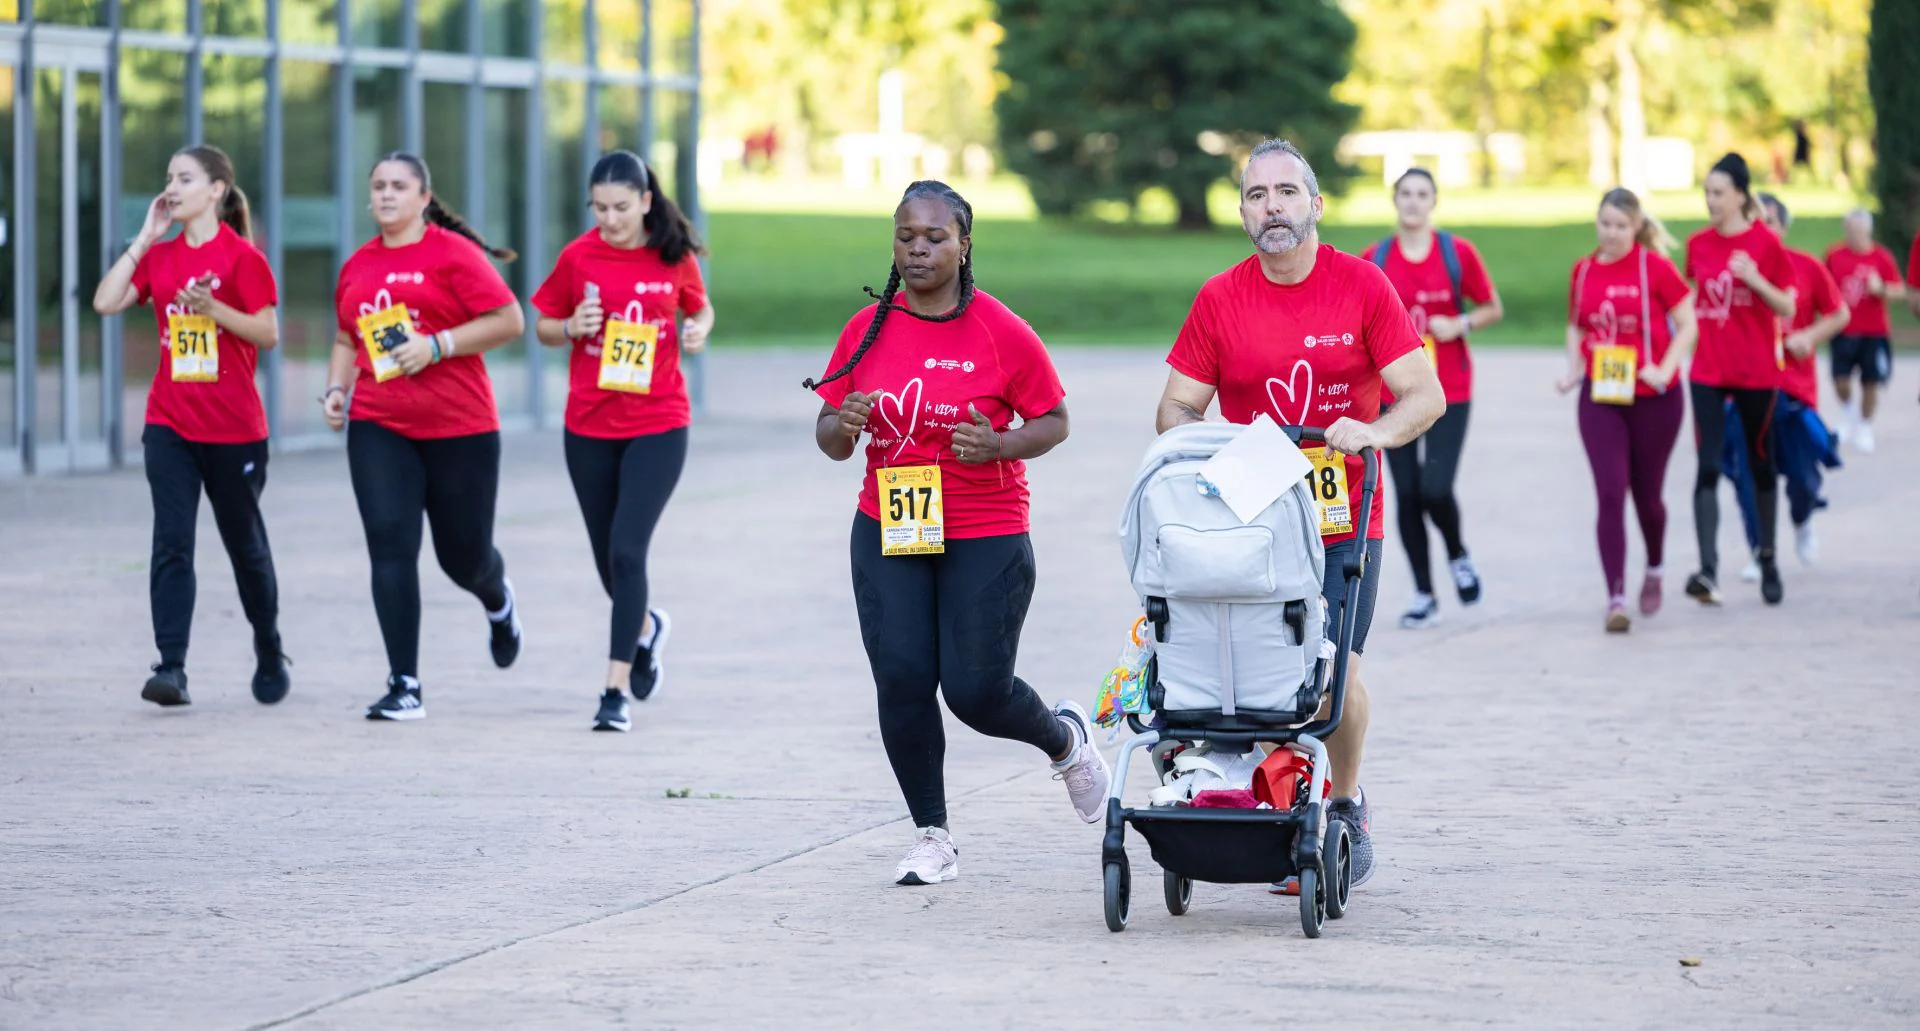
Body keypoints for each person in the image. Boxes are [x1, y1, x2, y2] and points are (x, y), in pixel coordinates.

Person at [1157, 139, 1446, 892]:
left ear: (1315, 204)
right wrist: (1211, 448)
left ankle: (1345, 803)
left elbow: (1426, 394)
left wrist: (1374, 431)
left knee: (1334, 667)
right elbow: (1177, 407)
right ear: (1244, 212)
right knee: (1250, 666)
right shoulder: (1220, 298)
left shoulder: (1363, 286)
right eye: (1257, 196)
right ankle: (1267, 798)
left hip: (1347, 512)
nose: (1272, 206)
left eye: (1287, 192)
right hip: (1254, 518)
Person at [806, 179, 1110, 886]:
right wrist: (841, 424)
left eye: (935, 236)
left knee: (976, 691)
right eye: (906, 236)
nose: (918, 248)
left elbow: (1055, 420)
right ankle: (931, 833)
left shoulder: (1001, 331)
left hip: (985, 527)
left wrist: (999, 445)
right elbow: (828, 436)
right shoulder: (867, 328)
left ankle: (1066, 743)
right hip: (891, 523)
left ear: (964, 244)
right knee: (904, 677)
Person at [320, 152, 527, 721]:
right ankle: (404, 682)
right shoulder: (358, 265)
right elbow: (346, 338)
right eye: (378, 186)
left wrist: (437, 345)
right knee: (390, 543)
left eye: (399, 186)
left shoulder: (452, 254)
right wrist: (337, 391)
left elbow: (510, 320)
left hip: (460, 426)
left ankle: (498, 599)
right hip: (380, 423)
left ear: (423, 197)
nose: (386, 195)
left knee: (463, 557)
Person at [91, 145, 289, 708]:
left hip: (234, 431)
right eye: (168, 178)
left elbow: (268, 334)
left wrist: (214, 311)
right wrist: (145, 237)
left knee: (244, 547)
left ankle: (269, 645)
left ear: (217, 190)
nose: (172, 188)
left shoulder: (243, 259)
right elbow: (106, 302)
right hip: (170, 424)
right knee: (172, 541)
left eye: (185, 178)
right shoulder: (161, 256)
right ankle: (171, 667)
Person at [531, 150, 715, 733]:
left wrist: (697, 329)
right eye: (598, 207)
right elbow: (542, 324)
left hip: (659, 423)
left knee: (629, 550)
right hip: (587, 425)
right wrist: (569, 328)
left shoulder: (673, 254)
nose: (608, 219)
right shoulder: (578, 257)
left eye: (619, 207)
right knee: (607, 559)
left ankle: (613, 691)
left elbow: (701, 307)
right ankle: (646, 628)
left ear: (644, 201)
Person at [1361, 169, 1504, 629]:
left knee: (1435, 489)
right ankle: (1425, 594)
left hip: (1449, 390)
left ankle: (1458, 555)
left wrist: (1459, 325)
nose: (1414, 202)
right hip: (1391, 396)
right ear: (1395, 200)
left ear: (1434, 201)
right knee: (1406, 494)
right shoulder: (1375, 259)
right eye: (1406, 194)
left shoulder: (1457, 253)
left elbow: (1492, 306)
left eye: (1423, 194)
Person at [1555, 188, 1697, 633]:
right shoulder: (1583, 271)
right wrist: (1573, 370)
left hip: (1655, 397)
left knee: (1647, 497)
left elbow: (1689, 324)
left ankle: (1654, 566)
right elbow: (1577, 326)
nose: (1611, 233)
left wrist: (1665, 367)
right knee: (1612, 491)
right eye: (1605, 224)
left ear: (1636, 227)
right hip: (1601, 396)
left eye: (1621, 226)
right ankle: (1616, 597)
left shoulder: (1654, 267)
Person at [1680, 152, 1796, 607]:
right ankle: (1708, 570)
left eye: (1718, 193)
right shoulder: (1697, 244)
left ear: (1740, 196)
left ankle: (1767, 556)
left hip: (1755, 372)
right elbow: (1691, 299)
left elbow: (1787, 306)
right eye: (1706, 193)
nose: (1710, 200)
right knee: (1707, 466)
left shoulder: (1766, 245)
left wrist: (1755, 279)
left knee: (1760, 463)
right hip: (1708, 369)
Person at [1722, 194, 1848, 577]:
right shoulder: (1730, 270)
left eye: (1770, 222)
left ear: (1784, 228)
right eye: (1754, 221)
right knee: (1746, 473)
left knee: (1802, 477)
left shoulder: (1806, 267)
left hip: (1791, 392)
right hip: (1743, 390)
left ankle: (1803, 517)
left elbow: (1839, 313)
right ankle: (1760, 550)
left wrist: (1809, 336)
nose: (1762, 230)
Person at [1823, 209, 1906, 452]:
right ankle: (1848, 412)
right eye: (1850, 230)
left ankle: (1865, 425)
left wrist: (1880, 289)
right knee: (1840, 380)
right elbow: (1822, 286)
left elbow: (1899, 290)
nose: (1854, 236)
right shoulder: (1834, 255)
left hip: (1874, 331)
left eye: (1858, 231)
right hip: (1843, 329)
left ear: (1868, 231)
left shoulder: (1881, 257)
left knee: (1871, 381)